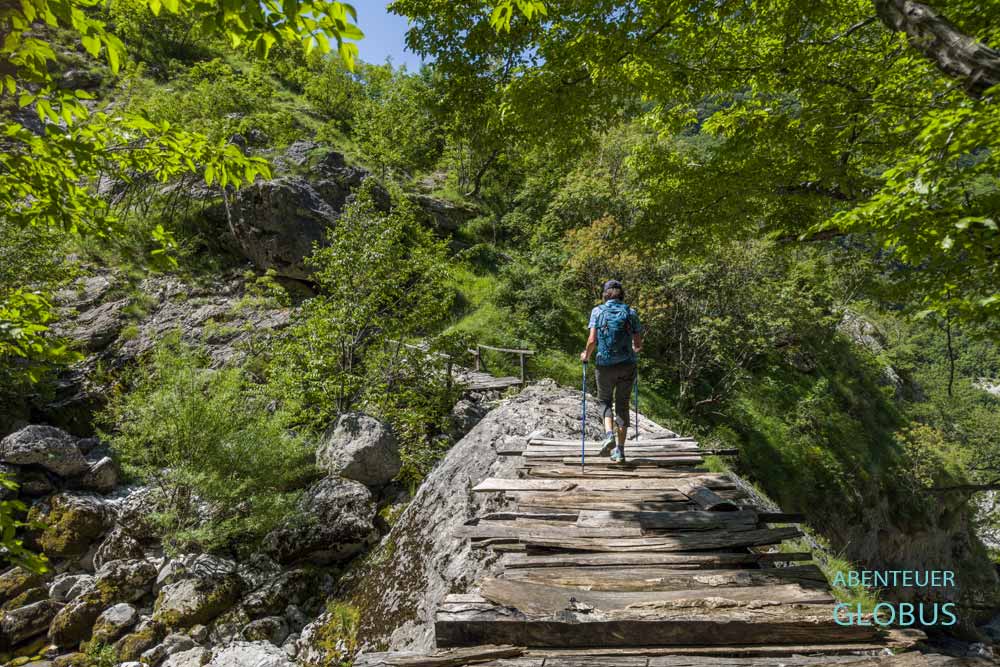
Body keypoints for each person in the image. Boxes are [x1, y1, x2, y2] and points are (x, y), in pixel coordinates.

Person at [580, 279, 643, 463]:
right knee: (622, 406)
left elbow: (592, 340)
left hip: (604, 366)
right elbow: (638, 345)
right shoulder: (631, 313)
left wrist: (586, 356)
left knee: (605, 402)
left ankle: (609, 435)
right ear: (621, 294)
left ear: (605, 294)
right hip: (627, 365)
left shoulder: (597, 311)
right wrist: (633, 348)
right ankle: (620, 452)